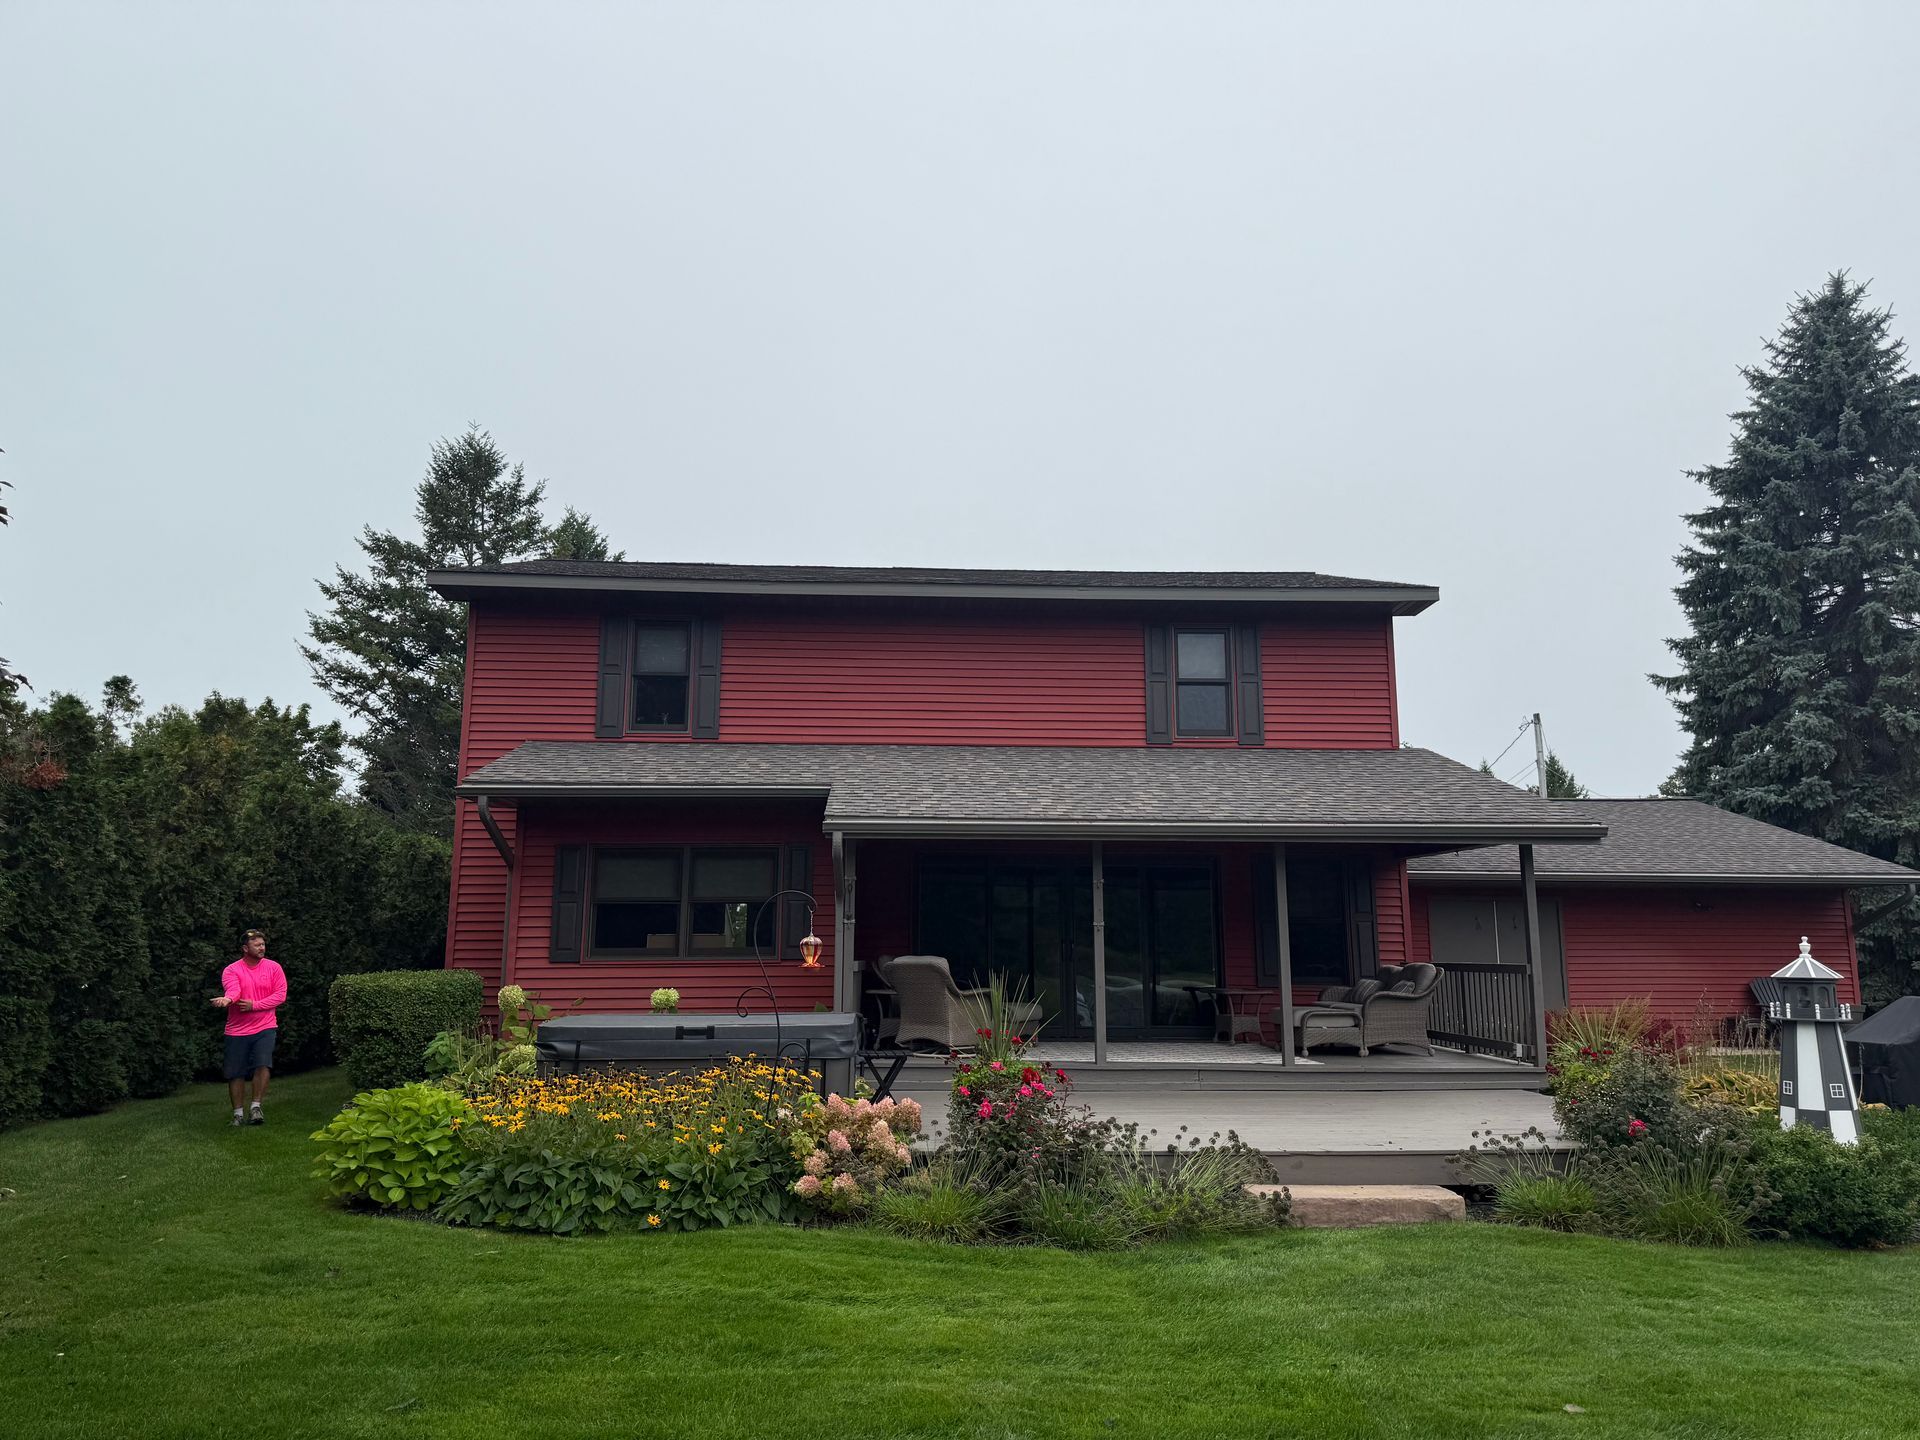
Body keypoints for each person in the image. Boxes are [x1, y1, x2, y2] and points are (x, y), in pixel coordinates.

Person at [212, 930, 286, 1127]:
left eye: (263, 944)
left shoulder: (274, 968)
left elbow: (280, 995)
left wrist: (255, 1005)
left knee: (263, 1064)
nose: (261, 947)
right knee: (235, 1072)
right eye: (256, 944)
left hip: (265, 1025)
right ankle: (237, 1114)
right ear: (245, 948)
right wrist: (228, 999)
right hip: (237, 1030)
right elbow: (233, 990)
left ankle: (255, 1108)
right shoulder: (232, 970)